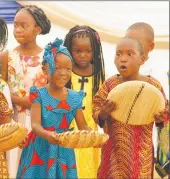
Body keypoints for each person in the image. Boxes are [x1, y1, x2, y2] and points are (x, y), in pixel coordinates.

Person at [92, 37, 168, 179]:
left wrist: (160, 119)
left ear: (142, 59)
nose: (123, 59)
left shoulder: (154, 87)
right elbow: (96, 107)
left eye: (130, 54)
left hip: (141, 154)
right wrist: (102, 113)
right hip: (113, 152)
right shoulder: (110, 84)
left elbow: (164, 114)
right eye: (118, 54)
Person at [16, 38, 91, 179]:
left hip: (63, 151)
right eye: (57, 68)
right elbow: (35, 125)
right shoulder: (39, 95)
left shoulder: (74, 98)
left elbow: (83, 126)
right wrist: (48, 135)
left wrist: (94, 136)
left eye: (68, 69)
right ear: (45, 68)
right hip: (40, 148)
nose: (64, 73)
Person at [6, 5, 51, 176]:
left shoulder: (47, 58)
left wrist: (34, 102)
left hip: (39, 122)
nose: (18, 30)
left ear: (37, 29)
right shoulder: (7, 56)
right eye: (15, 25)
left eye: (24, 26)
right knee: (13, 165)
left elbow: (53, 90)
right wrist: (18, 100)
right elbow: (0, 90)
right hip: (13, 121)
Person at [125, 22, 169, 178]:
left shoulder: (158, 73)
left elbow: (163, 109)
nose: (131, 46)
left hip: (146, 140)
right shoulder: (120, 67)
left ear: (151, 46)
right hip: (122, 139)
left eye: (137, 43)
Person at [63, 25, 105, 178]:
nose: (82, 55)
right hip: (67, 130)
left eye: (88, 51)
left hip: (89, 131)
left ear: (94, 51)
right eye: (77, 51)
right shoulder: (65, 72)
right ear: (69, 50)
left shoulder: (99, 75)